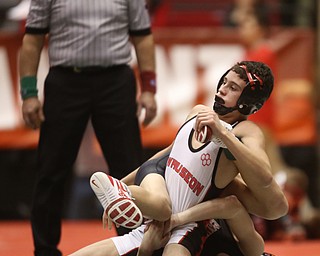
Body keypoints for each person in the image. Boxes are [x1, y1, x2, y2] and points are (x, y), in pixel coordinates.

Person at [69, 61, 288, 256]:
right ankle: (126, 193)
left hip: (180, 225)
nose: (221, 89)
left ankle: (130, 197)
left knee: (161, 218)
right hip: (161, 201)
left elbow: (266, 180)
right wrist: (120, 184)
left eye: (232, 88)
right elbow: (165, 156)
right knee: (162, 208)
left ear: (248, 102)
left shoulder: (246, 130)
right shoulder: (197, 111)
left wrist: (224, 135)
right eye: (224, 82)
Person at [18, 0, 157, 255]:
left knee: (128, 167)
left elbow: (143, 36)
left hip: (115, 80)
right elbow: (33, 38)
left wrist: (149, 88)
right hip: (66, 81)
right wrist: (28, 92)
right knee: (52, 168)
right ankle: (45, 249)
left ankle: (135, 245)